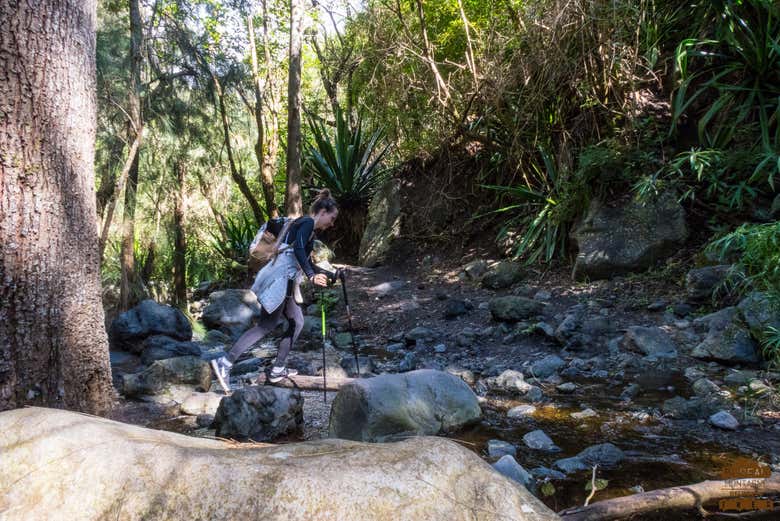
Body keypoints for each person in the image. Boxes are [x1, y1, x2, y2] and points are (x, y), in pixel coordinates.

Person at [210, 189, 339, 392]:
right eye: (332, 219)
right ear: (322, 212)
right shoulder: (306, 222)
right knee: (266, 325)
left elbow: (303, 260)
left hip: (286, 279)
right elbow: (298, 250)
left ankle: (277, 369)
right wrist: (312, 275)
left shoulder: (308, 230)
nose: (332, 224)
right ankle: (224, 362)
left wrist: (331, 274)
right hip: (280, 278)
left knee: (297, 321)